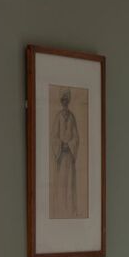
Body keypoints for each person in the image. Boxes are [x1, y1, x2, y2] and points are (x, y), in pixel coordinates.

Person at [50, 87, 82, 218]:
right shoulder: (58, 117)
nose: (65, 102)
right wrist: (60, 145)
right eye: (63, 100)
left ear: (68, 101)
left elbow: (76, 137)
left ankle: (71, 211)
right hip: (61, 157)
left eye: (66, 100)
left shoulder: (72, 117)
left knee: (70, 184)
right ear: (61, 101)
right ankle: (61, 211)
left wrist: (69, 145)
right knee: (61, 183)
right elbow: (53, 137)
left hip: (69, 155)